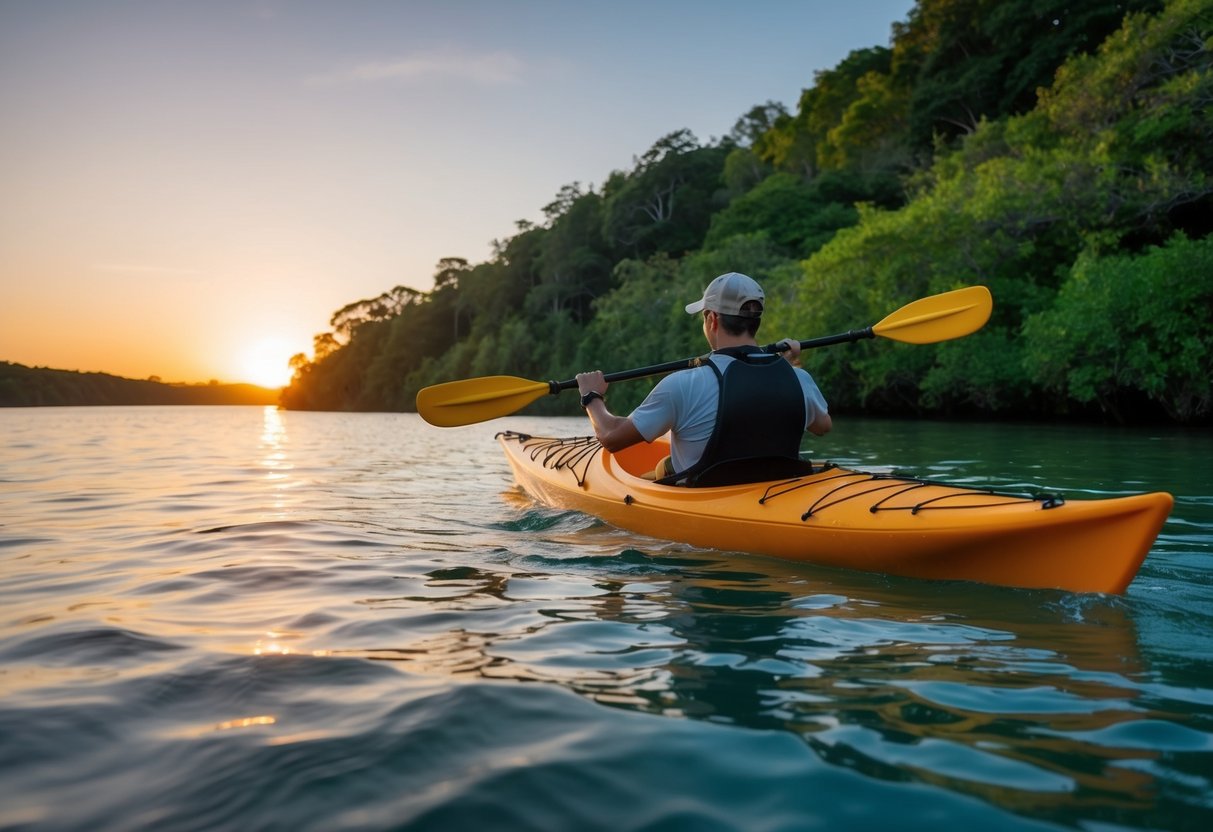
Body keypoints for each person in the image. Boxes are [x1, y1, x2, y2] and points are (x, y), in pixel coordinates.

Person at [575, 272, 831, 486]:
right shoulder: (798, 379)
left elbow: (611, 438)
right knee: (663, 467)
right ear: (756, 322)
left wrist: (591, 396)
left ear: (712, 319)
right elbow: (822, 426)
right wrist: (788, 367)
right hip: (776, 492)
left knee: (662, 469)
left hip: (706, 500)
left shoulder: (683, 385)